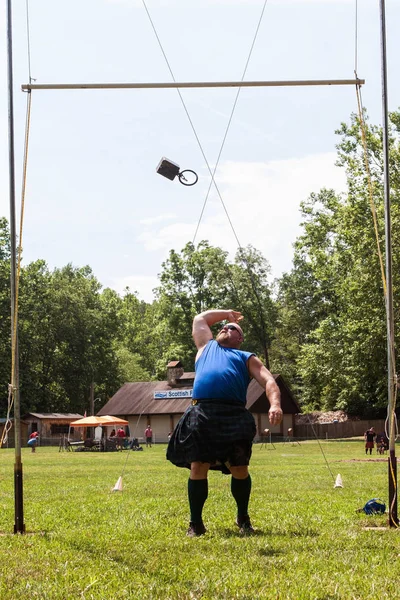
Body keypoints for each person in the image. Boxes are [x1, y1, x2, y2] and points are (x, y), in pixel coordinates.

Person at [167, 308, 283, 537]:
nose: (224, 328)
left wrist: (275, 404)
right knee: (198, 466)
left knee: (239, 468)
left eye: (231, 328)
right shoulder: (205, 347)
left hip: (234, 413)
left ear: (240, 338)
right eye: (223, 327)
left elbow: (268, 380)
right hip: (203, 412)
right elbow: (200, 319)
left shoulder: (245, 357)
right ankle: (196, 524)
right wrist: (227, 314)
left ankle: (243, 517)